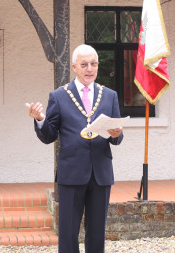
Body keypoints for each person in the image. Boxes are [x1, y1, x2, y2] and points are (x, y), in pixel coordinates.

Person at [26, 44, 124, 253]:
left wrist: (117, 134)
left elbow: (116, 137)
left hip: (101, 173)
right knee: (68, 233)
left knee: (97, 231)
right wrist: (41, 119)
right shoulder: (59, 96)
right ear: (74, 67)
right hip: (71, 173)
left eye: (93, 64)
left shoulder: (110, 96)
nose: (90, 69)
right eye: (84, 64)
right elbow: (49, 135)